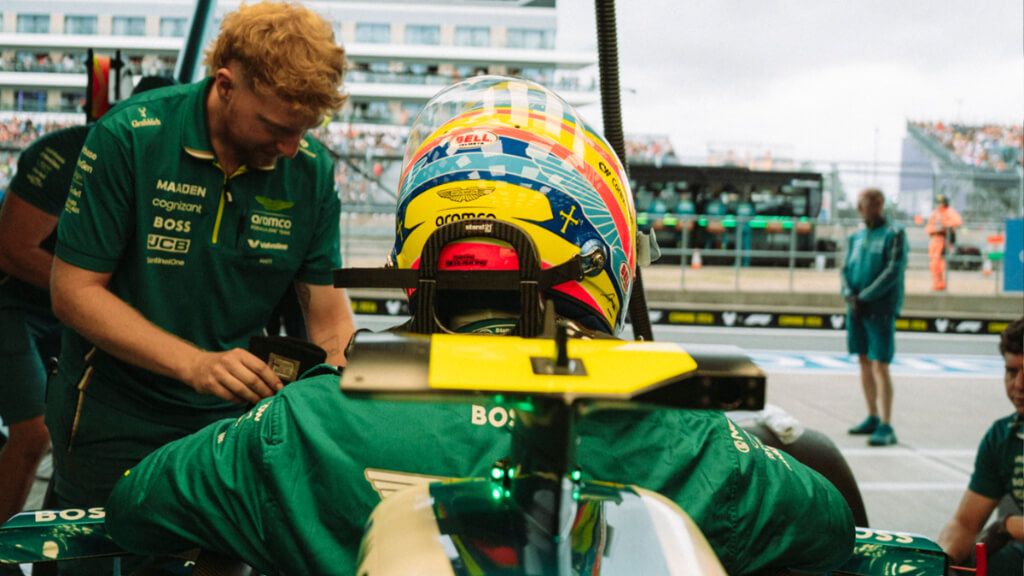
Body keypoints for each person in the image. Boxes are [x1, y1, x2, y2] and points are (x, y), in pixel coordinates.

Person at [105, 76, 854, 576]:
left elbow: (138, 505)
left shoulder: (296, 423)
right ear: (601, 247)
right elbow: (828, 530)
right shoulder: (692, 439)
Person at [46, 0, 355, 518]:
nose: (290, 146)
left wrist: (340, 385)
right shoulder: (131, 137)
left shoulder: (310, 171)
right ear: (225, 84)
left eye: (306, 127)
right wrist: (196, 364)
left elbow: (327, 315)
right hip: (114, 419)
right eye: (275, 126)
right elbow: (73, 292)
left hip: (233, 424)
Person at [0, 76, 174, 524]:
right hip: (12, 302)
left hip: (73, 312)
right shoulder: (65, 153)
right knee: (33, 432)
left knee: (78, 429)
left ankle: (55, 556)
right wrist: (92, 292)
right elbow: (12, 249)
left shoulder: (167, 165)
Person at [938, 318, 1024, 572]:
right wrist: (941, 561)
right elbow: (965, 524)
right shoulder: (1002, 436)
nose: (1019, 385)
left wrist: (1008, 525)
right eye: (1011, 372)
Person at [842, 188, 907, 447]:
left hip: (879, 309)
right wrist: (849, 294)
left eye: (866, 204)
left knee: (880, 364)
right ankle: (872, 414)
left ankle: (887, 424)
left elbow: (893, 270)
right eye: (859, 204)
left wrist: (867, 296)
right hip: (856, 307)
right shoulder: (856, 236)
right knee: (863, 360)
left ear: (879, 204)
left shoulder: (894, 234)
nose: (861, 209)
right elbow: (845, 268)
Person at [925, 193, 962, 291]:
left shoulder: (950, 212)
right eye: (938, 203)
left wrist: (944, 225)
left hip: (943, 239)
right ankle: (936, 284)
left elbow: (957, 222)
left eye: (941, 203)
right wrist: (935, 229)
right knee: (933, 263)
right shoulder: (935, 213)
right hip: (934, 239)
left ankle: (940, 284)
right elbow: (928, 227)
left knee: (940, 264)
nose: (939, 205)